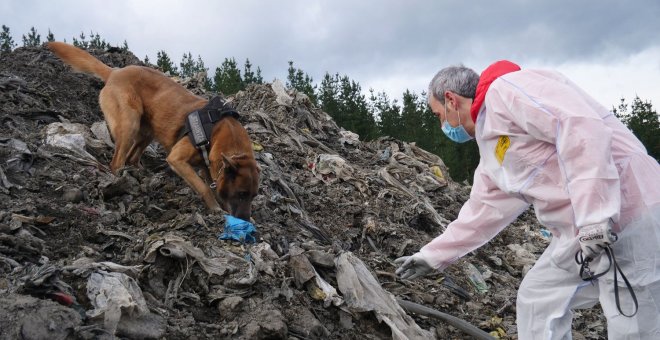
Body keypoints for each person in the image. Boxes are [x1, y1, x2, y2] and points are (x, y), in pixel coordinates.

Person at [394, 60, 660, 339]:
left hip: (630, 211)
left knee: (635, 324)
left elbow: (580, 129)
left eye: (439, 115)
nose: (442, 125)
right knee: (538, 300)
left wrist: (594, 217)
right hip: (580, 235)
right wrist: (432, 256)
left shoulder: (509, 89)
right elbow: (482, 212)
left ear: (451, 100)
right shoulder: (491, 145)